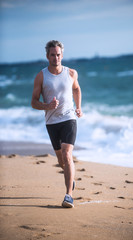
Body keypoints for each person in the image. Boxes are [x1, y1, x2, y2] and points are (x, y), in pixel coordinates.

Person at [31, 40, 83, 208]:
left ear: (62, 55)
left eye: (58, 54)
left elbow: (76, 89)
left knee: (68, 155)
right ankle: (70, 179)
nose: (56, 58)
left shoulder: (71, 73)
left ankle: (69, 195)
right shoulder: (41, 76)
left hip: (68, 119)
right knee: (61, 160)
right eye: (52, 55)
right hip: (52, 122)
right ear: (47, 56)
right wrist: (46, 106)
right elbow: (33, 101)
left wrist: (79, 107)